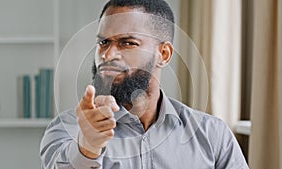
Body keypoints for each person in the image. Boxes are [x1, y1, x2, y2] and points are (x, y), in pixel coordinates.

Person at [40, 0, 249, 168]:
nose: (107, 54)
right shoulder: (67, 129)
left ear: (163, 54)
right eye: (103, 42)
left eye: (128, 43)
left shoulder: (212, 135)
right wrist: (87, 148)